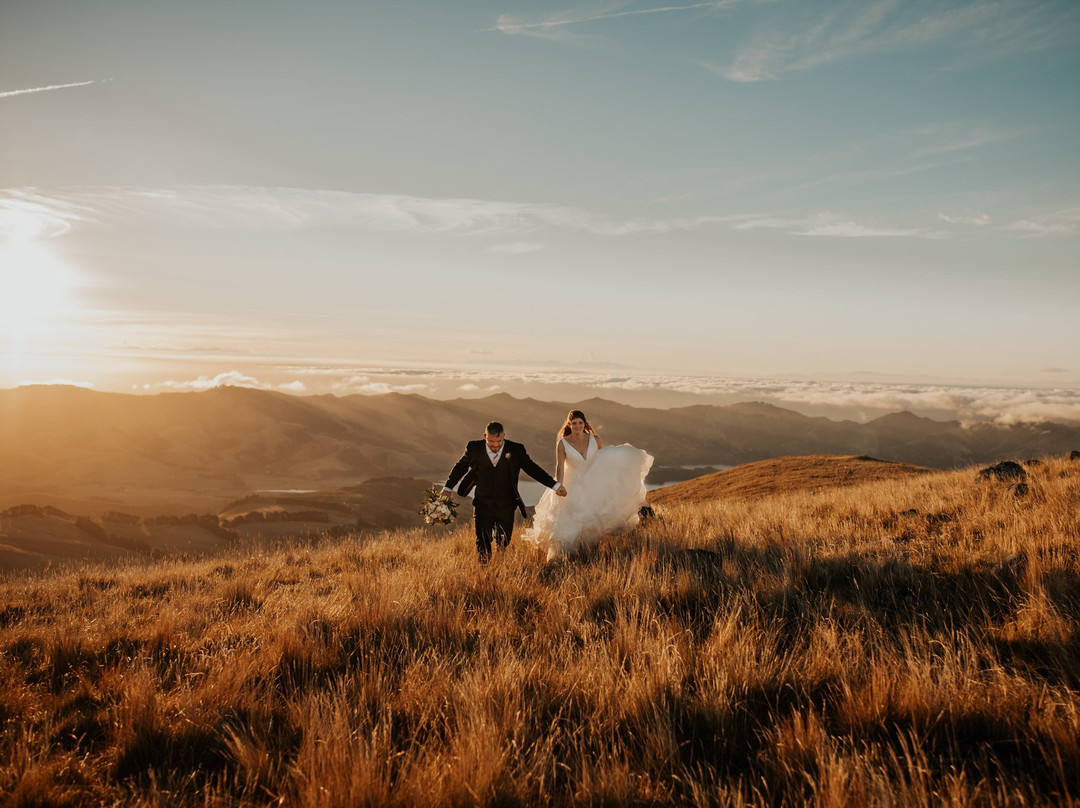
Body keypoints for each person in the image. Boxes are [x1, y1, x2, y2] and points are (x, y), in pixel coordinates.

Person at [523, 409, 653, 561]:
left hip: (594, 483)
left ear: (585, 424)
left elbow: (601, 461)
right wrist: (559, 486)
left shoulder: (595, 439)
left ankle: (591, 551)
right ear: (569, 424)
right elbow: (560, 466)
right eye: (574, 423)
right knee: (571, 518)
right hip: (572, 484)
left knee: (595, 517)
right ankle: (566, 556)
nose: (577, 426)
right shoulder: (563, 443)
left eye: (580, 423)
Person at [443, 421, 567, 564]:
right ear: (485, 436)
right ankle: (484, 570)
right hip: (483, 502)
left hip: (507, 503)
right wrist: (447, 488)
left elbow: (533, 470)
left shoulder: (516, 449)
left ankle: (500, 563)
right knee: (482, 539)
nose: (495, 445)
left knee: (504, 539)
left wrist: (555, 485)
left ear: (504, 436)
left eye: (499, 441)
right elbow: (460, 468)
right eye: (491, 441)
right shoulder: (474, 448)